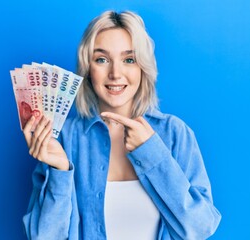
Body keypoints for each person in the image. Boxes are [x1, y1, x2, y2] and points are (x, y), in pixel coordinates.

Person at [22, 10, 221, 240]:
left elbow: (200, 228)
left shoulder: (175, 134)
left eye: (129, 59)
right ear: (87, 69)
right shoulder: (65, 138)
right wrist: (59, 171)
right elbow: (44, 237)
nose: (115, 73)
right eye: (102, 60)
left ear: (142, 67)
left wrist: (152, 153)